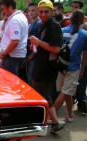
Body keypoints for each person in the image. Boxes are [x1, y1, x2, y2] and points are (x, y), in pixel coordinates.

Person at [29, 0, 63, 133]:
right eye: (41, 11)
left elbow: (56, 49)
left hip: (47, 69)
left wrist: (38, 42)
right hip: (41, 66)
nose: (43, 14)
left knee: (39, 98)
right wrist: (35, 45)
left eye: (46, 12)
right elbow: (44, 45)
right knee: (45, 96)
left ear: (52, 12)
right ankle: (55, 123)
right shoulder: (44, 25)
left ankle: (38, 125)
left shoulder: (53, 26)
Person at [54, 10, 87, 121]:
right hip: (73, 68)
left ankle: (70, 114)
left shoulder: (62, 30)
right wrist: (82, 69)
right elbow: (85, 56)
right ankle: (50, 116)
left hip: (60, 66)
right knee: (65, 92)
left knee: (67, 92)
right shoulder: (84, 35)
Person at [0, 0, 28, 77]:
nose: (3, 12)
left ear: (10, 7)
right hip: (15, 55)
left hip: (12, 56)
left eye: (4, 9)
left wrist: (3, 53)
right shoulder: (21, 17)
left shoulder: (15, 20)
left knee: (10, 81)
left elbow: (15, 41)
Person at [25, 3, 41, 85]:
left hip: (34, 57)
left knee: (32, 80)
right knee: (29, 79)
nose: (31, 13)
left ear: (38, 11)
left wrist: (32, 55)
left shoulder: (39, 23)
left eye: (33, 10)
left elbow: (38, 42)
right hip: (29, 55)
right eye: (29, 11)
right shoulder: (33, 23)